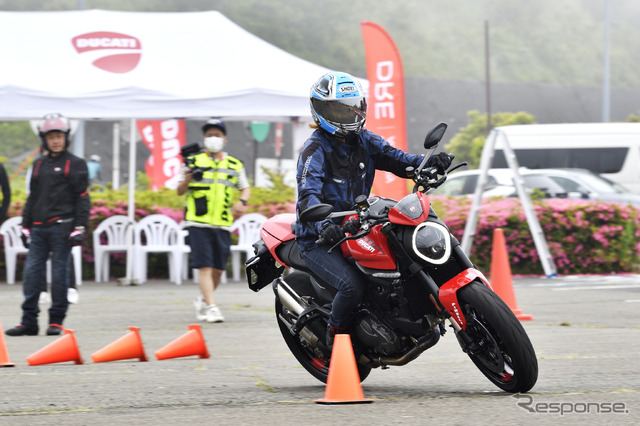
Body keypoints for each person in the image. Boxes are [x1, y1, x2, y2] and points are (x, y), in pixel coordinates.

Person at [295, 71, 453, 350]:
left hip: (356, 225)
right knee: (351, 286)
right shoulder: (314, 149)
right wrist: (323, 226)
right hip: (319, 237)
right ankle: (336, 340)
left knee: (399, 263)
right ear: (321, 110)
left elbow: (401, 161)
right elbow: (308, 196)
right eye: (339, 108)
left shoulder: (366, 141)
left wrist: (429, 165)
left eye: (353, 105)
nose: (350, 113)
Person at [5, 113, 90, 336]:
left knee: (60, 275)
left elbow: (83, 197)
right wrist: (25, 225)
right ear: (44, 138)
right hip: (38, 228)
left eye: (59, 136)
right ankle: (29, 322)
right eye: (51, 136)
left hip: (62, 228)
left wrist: (80, 227)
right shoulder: (38, 164)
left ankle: (56, 321)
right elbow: (33, 197)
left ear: (66, 137)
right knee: (32, 275)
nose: (55, 140)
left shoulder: (76, 164)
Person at [177, 119, 250, 323]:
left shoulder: (234, 164)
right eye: (209, 135)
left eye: (217, 135)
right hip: (197, 223)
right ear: (204, 138)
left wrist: (242, 202)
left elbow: (245, 188)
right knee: (205, 267)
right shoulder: (192, 162)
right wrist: (188, 178)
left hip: (222, 223)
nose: (213, 138)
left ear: (225, 139)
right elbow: (179, 190)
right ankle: (211, 306)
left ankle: (203, 299)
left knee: (218, 270)